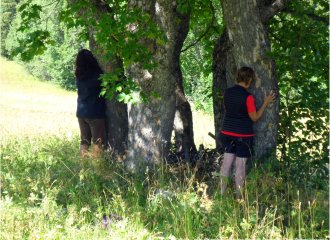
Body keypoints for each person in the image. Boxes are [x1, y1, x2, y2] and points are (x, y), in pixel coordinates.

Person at [219, 66, 275, 198]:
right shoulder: (248, 97)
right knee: (240, 165)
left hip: (226, 132)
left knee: (226, 164)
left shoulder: (226, 92)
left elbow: (228, 108)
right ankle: (239, 197)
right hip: (242, 135)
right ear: (250, 80)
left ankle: (221, 195)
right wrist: (266, 102)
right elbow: (254, 117)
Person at [75, 49, 105, 159]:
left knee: (84, 141)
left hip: (81, 112)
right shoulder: (98, 75)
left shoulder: (79, 76)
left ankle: (84, 170)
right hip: (95, 113)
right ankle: (96, 170)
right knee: (97, 142)